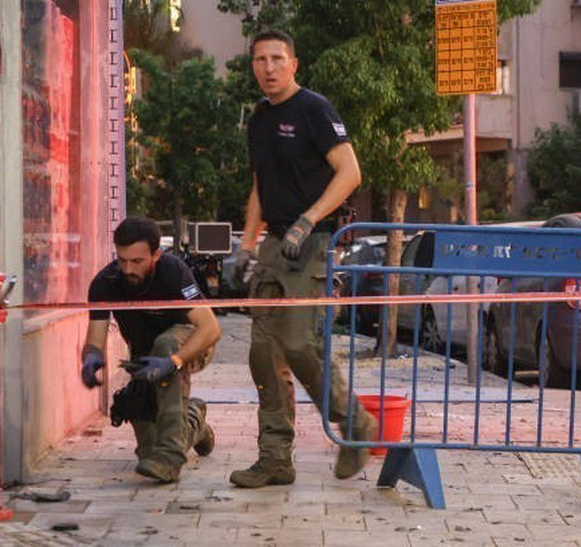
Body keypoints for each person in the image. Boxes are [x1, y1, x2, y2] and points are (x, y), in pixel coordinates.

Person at [230, 29, 377, 488]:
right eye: (260, 59)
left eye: (277, 58)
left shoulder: (314, 108)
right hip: (274, 243)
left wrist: (308, 220)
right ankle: (275, 458)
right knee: (262, 353)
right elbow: (260, 186)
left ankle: (356, 425)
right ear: (253, 65)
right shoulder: (258, 118)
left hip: (312, 242)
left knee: (299, 344)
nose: (268, 68)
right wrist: (246, 245)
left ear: (294, 63)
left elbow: (350, 172)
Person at [81, 216, 221, 483]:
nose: (127, 269)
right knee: (148, 453)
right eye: (122, 260)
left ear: (156, 255)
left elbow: (211, 329)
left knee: (165, 346)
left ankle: (171, 459)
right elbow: (94, 340)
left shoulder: (173, 272)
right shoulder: (105, 283)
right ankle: (194, 422)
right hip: (145, 358)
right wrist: (90, 360)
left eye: (137, 261)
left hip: (188, 346)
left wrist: (174, 361)